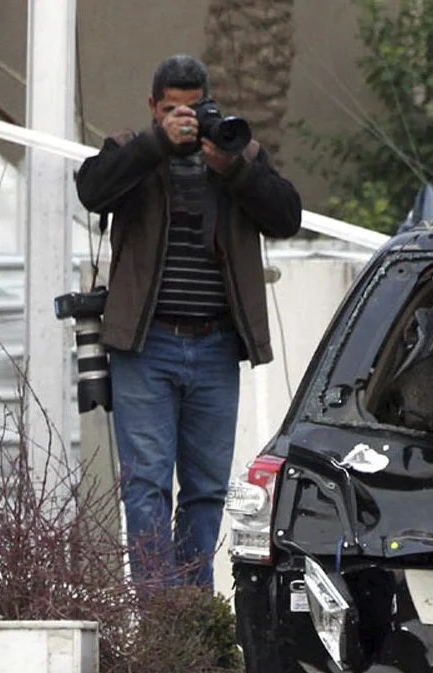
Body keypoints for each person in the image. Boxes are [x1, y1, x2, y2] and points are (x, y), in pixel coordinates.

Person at [77, 53, 302, 589]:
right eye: (172, 109)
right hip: (145, 345)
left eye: (194, 109)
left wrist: (235, 169)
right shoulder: (132, 152)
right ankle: (160, 618)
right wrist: (157, 144)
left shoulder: (234, 151)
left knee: (205, 489)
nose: (185, 119)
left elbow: (287, 216)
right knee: (146, 484)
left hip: (216, 345)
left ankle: (194, 609)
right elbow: (92, 190)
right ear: (154, 108)